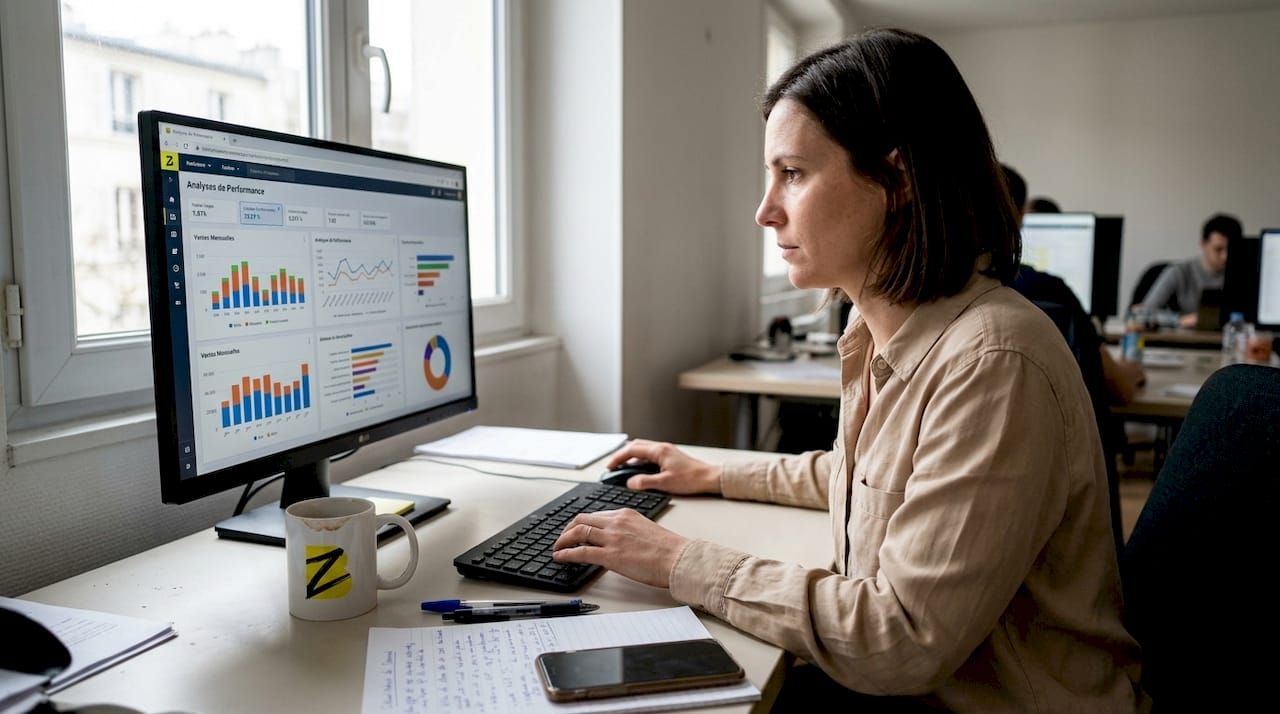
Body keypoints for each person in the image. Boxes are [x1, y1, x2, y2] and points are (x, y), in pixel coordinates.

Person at [553, 29, 1143, 712]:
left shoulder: (992, 362)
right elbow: (861, 475)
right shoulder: (878, 326)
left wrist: (677, 560)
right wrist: (712, 473)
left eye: (793, 174)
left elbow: (900, 638)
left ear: (895, 180)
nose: (765, 209)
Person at [1001, 164, 1146, 406]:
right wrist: (1133, 371)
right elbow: (1120, 390)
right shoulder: (1053, 292)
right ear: (1022, 216)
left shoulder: (950, 297)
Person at [1135, 213, 1241, 328]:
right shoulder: (1179, 272)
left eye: (1232, 249)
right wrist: (1179, 320)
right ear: (1203, 245)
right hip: (1186, 340)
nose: (1225, 256)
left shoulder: (1246, 275)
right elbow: (1142, 314)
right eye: (1218, 249)